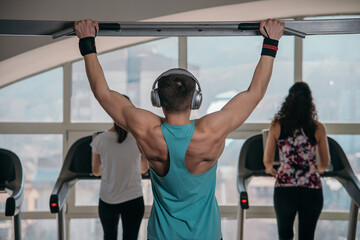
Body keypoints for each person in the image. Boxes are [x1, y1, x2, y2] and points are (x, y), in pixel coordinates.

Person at [74, 18, 285, 240]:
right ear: (196, 100)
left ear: (157, 99)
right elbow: (255, 92)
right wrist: (271, 42)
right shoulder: (211, 130)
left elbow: (102, 92)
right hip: (207, 236)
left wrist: (87, 41)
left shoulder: (146, 130)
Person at [263, 82, 330, 240]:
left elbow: (267, 160)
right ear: (310, 103)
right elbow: (325, 163)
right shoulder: (318, 127)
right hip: (311, 189)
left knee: (285, 235)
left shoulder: (277, 125)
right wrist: (314, 171)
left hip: (285, 189)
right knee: (307, 236)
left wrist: (271, 170)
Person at [91, 117, 148, 240]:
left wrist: (109, 168)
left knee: (109, 236)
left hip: (108, 199)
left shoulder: (100, 139)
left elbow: (96, 171)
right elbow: (144, 169)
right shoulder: (139, 139)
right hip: (133, 198)